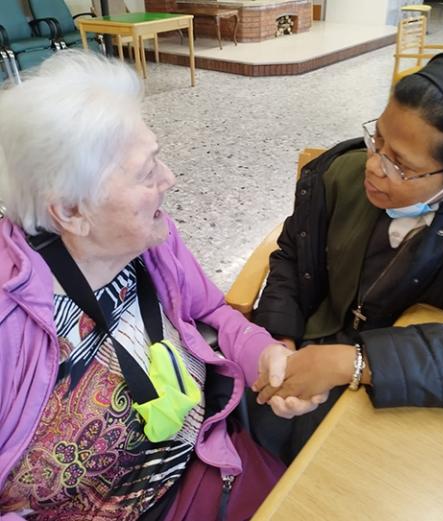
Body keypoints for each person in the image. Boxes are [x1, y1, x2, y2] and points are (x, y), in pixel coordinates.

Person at [0, 50, 317, 521]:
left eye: (158, 158)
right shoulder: (10, 322)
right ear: (69, 211)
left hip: (213, 460)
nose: (169, 179)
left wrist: (263, 354)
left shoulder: (152, 239)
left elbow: (216, 314)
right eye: (147, 173)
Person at [250, 52, 443, 463]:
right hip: (312, 343)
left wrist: (356, 362)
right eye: (377, 139)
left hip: (399, 389)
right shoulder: (339, 175)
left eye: (401, 165)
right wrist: (278, 339)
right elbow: (290, 256)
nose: (373, 166)